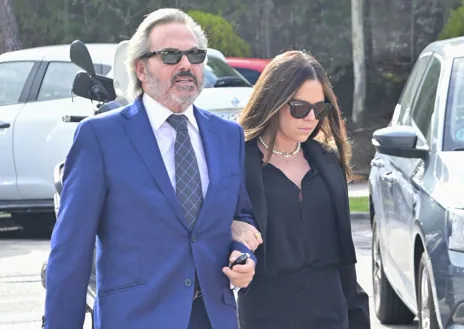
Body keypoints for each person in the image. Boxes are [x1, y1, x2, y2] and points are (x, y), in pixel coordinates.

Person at [43, 8, 261, 329]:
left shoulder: (227, 135)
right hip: (134, 319)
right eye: (171, 55)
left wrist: (244, 254)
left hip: (212, 317)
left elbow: (241, 216)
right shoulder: (100, 137)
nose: (186, 64)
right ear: (141, 69)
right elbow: (70, 252)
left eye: (195, 55)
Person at [235, 50, 371, 329]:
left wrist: (357, 315)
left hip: (331, 311)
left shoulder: (327, 162)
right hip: (266, 313)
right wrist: (231, 227)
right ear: (274, 102)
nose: (311, 117)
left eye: (319, 109)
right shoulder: (239, 161)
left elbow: (345, 258)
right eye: (299, 108)